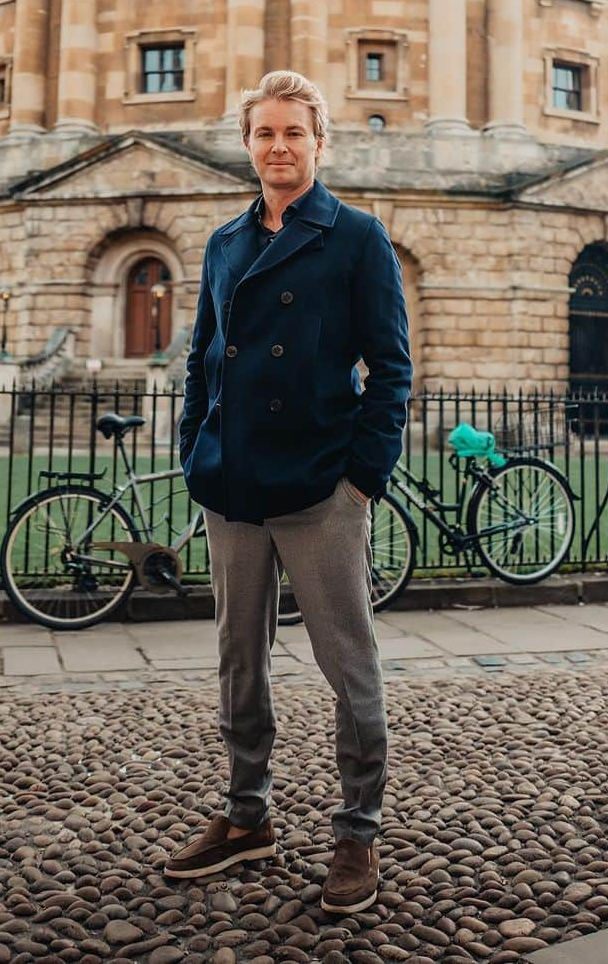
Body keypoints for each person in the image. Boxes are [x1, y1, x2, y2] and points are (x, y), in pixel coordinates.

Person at [163, 70, 412, 915]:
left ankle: (357, 831)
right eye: (264, 134)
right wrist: (196, 445)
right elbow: (202, 357)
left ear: (319, 143)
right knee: (239, 659)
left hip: (317, 488)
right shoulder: (225, 243)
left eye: (293, 134)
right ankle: (245, 817)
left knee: (349, 665)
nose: (278, 147)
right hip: (232, 484)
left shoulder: (356, 237)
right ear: (248, 145)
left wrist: (361, 480)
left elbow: (391, 368)